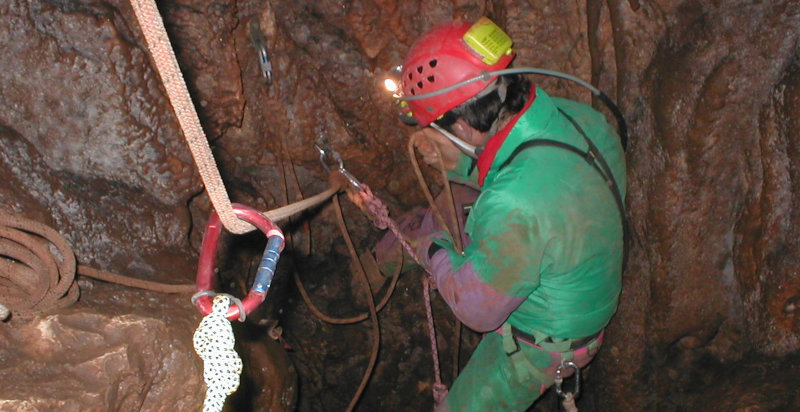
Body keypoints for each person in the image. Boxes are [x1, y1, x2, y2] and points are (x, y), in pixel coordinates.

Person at [383, 17, 627, 411]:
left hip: (543, 347)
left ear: (461, 126)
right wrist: (459, 166)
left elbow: (475, 309)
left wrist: (433, 250)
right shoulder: (583, 120)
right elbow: (545, 180)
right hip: (584, 301)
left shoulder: (512, 203)